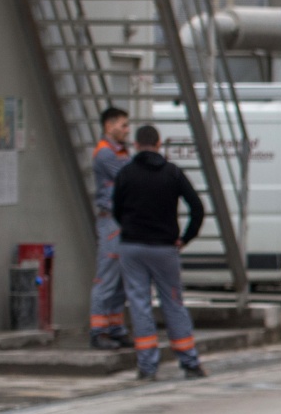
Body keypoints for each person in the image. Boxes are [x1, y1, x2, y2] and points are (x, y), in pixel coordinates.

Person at [111, 124, 207, 382]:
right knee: (173, 303)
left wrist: (129, 228)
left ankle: (147, 367)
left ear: (136, 145)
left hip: (132, 247)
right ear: (158, 144)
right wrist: (185, 238)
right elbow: (197, 208)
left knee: (139, 304)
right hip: (165, 249)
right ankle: (190, 363)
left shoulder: (126, 173)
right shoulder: (172, 173)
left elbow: (116, 209)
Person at [88, 106, 133, 350]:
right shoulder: (106, 154)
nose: (127, 130)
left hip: (121, 220)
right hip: (111, 221)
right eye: (123, 125)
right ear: (109, 125)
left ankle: (116, 328)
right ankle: (99, 331)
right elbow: (128, 178)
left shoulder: (120, 152)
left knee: (120, 280)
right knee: (107, 277)